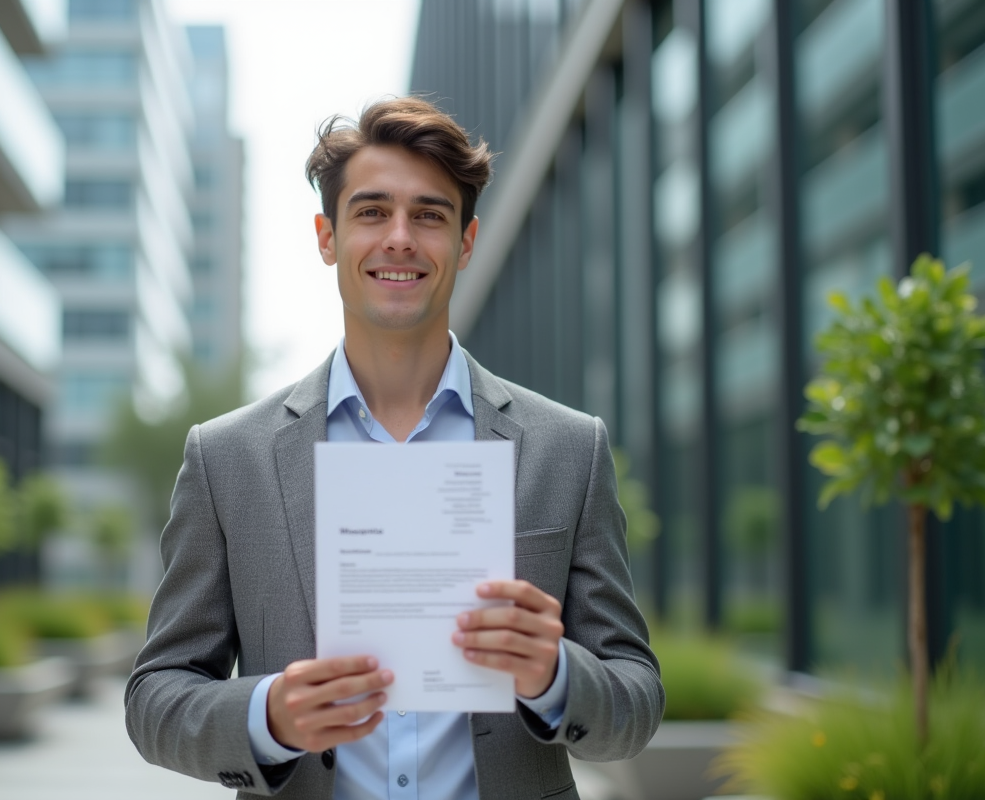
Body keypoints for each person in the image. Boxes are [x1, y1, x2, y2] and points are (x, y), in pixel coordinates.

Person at [125, 97, 663, 800]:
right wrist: (268, 716)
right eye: (373, 212)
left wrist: (554, 675)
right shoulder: (227, 458)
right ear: (328, 237)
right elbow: (156, 697)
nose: (400, 238)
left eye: (430, 216)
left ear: (466, 243)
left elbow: (635, 696)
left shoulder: (569, 449)